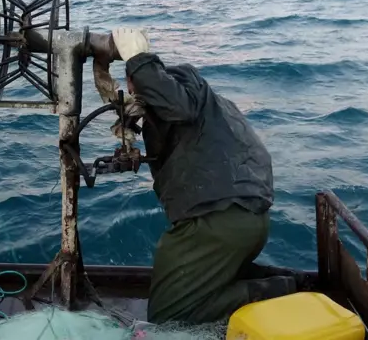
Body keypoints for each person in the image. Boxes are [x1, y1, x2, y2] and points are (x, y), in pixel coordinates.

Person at [110, 27, 304, 325]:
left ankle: (273, 290)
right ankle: (282, 280)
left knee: (169, 316)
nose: (134, 92)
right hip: (249, 218)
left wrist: (138, 59)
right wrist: (134, 120)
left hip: (218, 220)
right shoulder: (215, 106)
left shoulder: (183, 85)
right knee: (204, 279)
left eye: (134, 86)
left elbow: (177, 104)